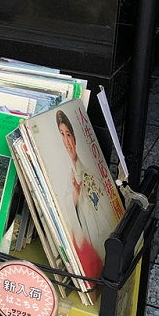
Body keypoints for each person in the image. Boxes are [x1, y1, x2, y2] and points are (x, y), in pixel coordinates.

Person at [55, 109, 105, 281]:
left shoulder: (88, 171)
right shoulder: (67, 173)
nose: (66, 141)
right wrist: (75, 196)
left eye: (68, 134)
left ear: (75, 138)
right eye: (62, 134)